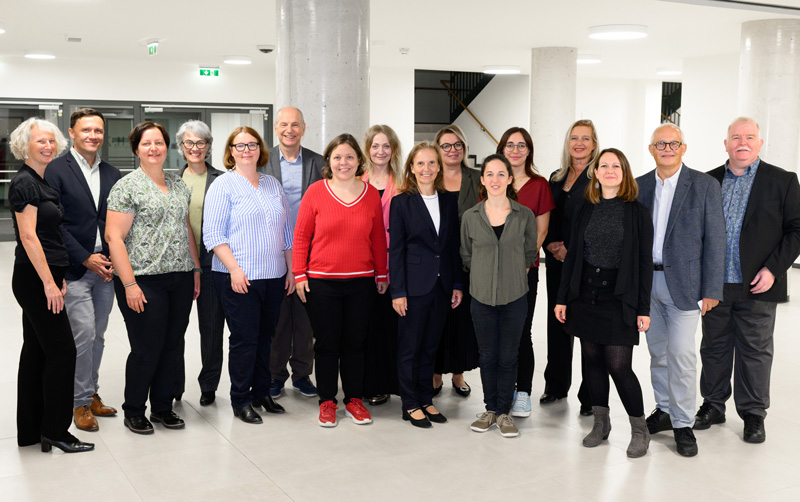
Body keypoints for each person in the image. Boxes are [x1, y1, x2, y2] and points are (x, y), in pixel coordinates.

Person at [697, 117, 800, 443]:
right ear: (725, 143)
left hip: (758, 283)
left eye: (750, 137)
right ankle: (713, 404)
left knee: (755, 350)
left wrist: (773, 269)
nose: (743, 142)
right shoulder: (709, 180)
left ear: (760, 143)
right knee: (713, 347)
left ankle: (754, 413)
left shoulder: (782, 181)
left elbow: (796, 230)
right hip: (716, 284)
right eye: (736, 137)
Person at [555, 148, 654, 458]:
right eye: (604, 165)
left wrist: (643, 308)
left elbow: (643, 264)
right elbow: (573, 256)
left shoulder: (637, 212)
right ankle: (601, 424)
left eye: (616, 166)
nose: (610, 170)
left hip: (618, 297)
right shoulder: (585, 209)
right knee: (592, 360)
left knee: (618, 365)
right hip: (586, 296)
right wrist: (562, 298)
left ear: (624, 173)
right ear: (595, 173)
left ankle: (640, 430)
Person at [106, 121, 201, 435]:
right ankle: (134, 409)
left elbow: (184, 228)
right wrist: (129, 284)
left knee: (172, 346)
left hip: (180, 276)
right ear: (136, 149)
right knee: (147, 348)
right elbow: (113, 237)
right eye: (146, 143)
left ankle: (162, 408)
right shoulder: (126, 186)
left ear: (166, 147)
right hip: (143, 280)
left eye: (159, 142)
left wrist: (195, 268)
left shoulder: (177, 184)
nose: (154, 148)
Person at [636, 124, 725, 457]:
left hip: (685, 287)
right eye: (661, 143)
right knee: (658, 352)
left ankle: (683, 423)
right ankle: (664, 409)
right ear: (651, 149)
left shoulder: (704, 185)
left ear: (684, 148)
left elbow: (716, 240)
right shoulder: (640, 186)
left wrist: (712, 288)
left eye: (674, 143)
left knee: (682, 355)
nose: (667, 148)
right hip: (648, 285)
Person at [9, 117, 94, 453]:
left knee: (37, 351)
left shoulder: (41, 181)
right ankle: (57, 431)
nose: (47, 146)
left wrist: (55, 278)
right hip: (35, 277)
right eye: (39, 141)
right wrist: (48, 282)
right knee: (63, 352)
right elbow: (29, 236)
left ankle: (31, 430)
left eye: (50, 141)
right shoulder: (25, 183)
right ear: (24, 145)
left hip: (45, 275)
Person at [292, 133, 388, 428]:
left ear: (359, 160)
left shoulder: (371, 194)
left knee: (355, 344)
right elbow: (301, 236)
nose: (343, 162)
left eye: (349, 157)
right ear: (328, 161)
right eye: (337, 157)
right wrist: (299, 274)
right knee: (327, 344)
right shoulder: (316, 192)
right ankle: (327, 401)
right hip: (322, 282)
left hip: (361, 282)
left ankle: (354, 399)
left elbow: (376, 238)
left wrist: (382, 273)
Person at [203, 126, 293, 424]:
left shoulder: (272, 184)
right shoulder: (222, 185)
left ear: (260, 149)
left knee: (265, 337)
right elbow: (212, 234)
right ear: (230, 152)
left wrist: (291, 270)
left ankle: (261, 392)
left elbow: (286, 232)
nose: (246, 150)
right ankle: (240, 399)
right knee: (244, 339)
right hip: (237, 276)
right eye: (239, 146)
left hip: (274, 274)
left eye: (251, 145)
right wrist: (234, 269)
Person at [44, 108, 122, 432]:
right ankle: (78, 403)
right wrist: (85, 257)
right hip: (75, 269)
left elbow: (115, 222)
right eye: (86, 130)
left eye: (98, 131)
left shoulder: (112, 173)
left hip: (105, 269)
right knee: (84, 335)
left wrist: (111, 258)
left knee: (99, 336)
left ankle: (90, 394)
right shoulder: (56, 171)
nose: (93, 136)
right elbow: (54, 224)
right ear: (72, 133)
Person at [462, 154, 538, 438]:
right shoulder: (470, 217)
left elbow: (530, 253)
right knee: (488, 354)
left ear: (510, 178)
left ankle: (505, 412)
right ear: (482, 180)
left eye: (500, 174)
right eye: (489, 174)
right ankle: (490, 409)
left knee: (508, 356)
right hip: (481, 297)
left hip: (515, 296)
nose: (495, 179)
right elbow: (466, 256)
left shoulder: (524, 215)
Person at [390, 142, 463, 428]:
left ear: (439, 167)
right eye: (420, 163)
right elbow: (395, 250)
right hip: (413, 287)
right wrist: (398, 291)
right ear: (411, 167)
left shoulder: (448, 200)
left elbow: (452, 246)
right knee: (410, 347)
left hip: (442, 285)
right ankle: (409, 403)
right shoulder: (401, 202)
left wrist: (456, 282)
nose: (426, 169)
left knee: (430, 346)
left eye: (432, 163)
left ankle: (425, 399)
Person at [260, 107, 323, 399]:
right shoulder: (262, 161)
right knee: (278, 319)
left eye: (295, 124)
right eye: (284, 124)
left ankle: (302, 375)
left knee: (306, 318)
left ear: (304, 128)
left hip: (311, 250)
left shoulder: (319, 162)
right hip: (274, 250)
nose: (289, 129)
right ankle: (275, 376)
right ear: (276, 128)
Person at [495, 127, 554, 418]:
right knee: (496, 334)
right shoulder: (494, 182)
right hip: (491, 272)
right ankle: (500, 393)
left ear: (529, 150)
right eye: (510, 145)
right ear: (501, 149)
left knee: (520, 333)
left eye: (521, 145)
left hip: (523, 271)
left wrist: (522, 261)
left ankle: (523, 393)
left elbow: (541, 232)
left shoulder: (540, 185)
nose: (515, 150)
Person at [541, 119, 598, 415]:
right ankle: (555, 386)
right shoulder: (556, 177)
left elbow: (596, 223)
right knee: (557, 322)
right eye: (574, 138)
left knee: (586, 327)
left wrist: (571, 250)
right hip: (556, 262)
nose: (579, 143)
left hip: (585, 265)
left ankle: (589, 396)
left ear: (594, 144)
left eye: (585, 139)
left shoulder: (599, 177)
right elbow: (548, 215)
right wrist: (550, 244)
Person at [174, 120, 226, 407]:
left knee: (211, 328)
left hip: (210, 265)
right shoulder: (170, 181)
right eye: (189, 143)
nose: (195, 148)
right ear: (181, 147)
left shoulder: (222, 179)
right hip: (178, 266)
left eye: (201, 143)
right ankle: (174, 387)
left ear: (208, 146)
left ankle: (208, 385)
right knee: (174, 332)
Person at [433, 124, 481, 397]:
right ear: (438, 150)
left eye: (458, 145)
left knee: (463, 319)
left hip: (470, 260)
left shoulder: (477, 177)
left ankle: (459, 373)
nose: (453, 150)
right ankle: (436, 372)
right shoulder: (430, 176)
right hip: (437, 260)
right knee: (438, 316)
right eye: (446, 146)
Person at [362, 124, 402, 406]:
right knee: (365, 327)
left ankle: (390, 382)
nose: (380, 151)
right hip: (363, 265)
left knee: (390, 328)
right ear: (367, 150)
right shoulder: (355, 180)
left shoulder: (403, 182)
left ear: (393, 149)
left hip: (394, 264)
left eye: (386, 146)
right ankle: (368, 382)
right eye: (375, 146)